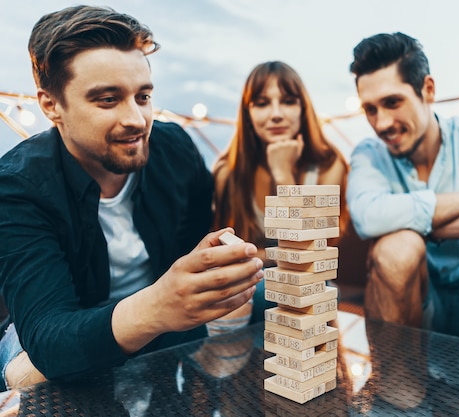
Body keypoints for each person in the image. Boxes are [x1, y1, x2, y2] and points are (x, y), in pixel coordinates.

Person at [0, 5, 263, 390]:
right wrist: (159, 307)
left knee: (287, 293)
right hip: (58, 330)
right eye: (108, 99)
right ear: (51, 105)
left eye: (143, 96)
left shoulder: (174, 149)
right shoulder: (17, 186)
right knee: (30, 374)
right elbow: (48, 335)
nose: (137, 120)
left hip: (166, 323)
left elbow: (191, 242)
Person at [346, 32, 459, 339]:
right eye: (370, 109)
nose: (382, 122)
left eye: (392, 102)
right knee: (397, 247)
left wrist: (430, 226)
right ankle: (399, 387)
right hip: (415, 296)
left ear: (428, 89)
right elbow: (366, 216)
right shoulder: (368, 153)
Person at [212, 61, 349, 324]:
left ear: (302, 108)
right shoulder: (226, 173)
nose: (275, 114)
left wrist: (283, 174)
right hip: (245, 286)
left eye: (287, 101)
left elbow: (311, 256)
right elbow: (229, 252)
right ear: (248, 112)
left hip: (306, 286)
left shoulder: (328, 166)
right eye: (262, 103)